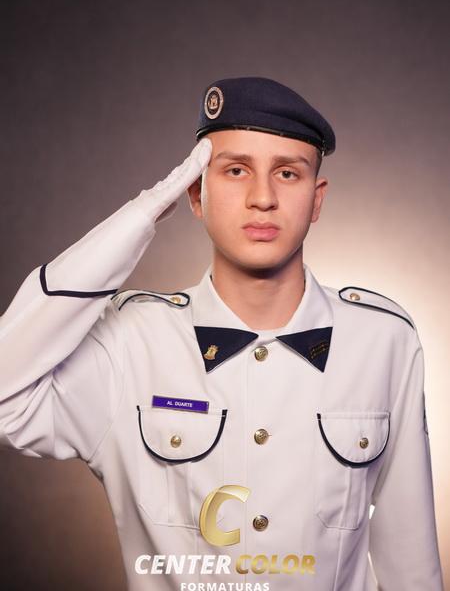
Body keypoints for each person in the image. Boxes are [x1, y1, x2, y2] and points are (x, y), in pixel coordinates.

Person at [0, 76, 444, 591]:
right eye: (236, 171)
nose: (263, 198)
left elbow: (411, 567)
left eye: (287, 173)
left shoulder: (383, 340)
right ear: (195, 193)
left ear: (316, 199)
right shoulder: (130, 345)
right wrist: (141, 215)